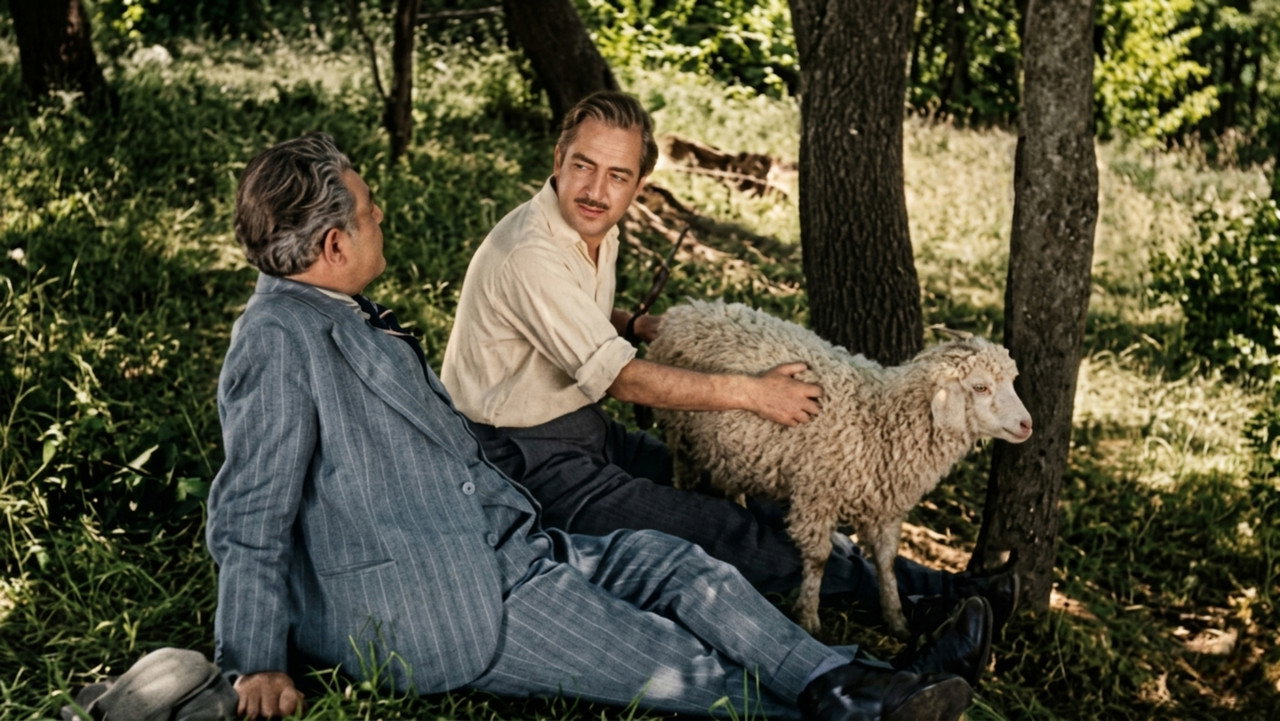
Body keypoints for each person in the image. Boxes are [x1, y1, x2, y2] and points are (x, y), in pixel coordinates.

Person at [205, 132, 989, 721]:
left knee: (681, 565)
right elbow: (249, 515)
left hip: (503, 546)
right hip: (442, 599)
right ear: (334, 242)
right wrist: (252, 663)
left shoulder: (334, 312)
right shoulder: (278, 341)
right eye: (371, 211)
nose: (383, 218)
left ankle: (849, 678)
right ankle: (854, 709)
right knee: (667, 654)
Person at [440, 90, 1018, 638]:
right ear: (559, 158)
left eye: (617, 176)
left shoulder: (587, 228)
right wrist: (752, 393)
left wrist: (634, 325)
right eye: (584, 166)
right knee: (723, 526)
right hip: (522, 459)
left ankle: (954, 590)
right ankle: (913, 609)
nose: (595, 188)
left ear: (638, 184)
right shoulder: (531, 250)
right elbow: (622, 378)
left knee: (762, 495)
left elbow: (567, 313)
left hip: (583, 432)